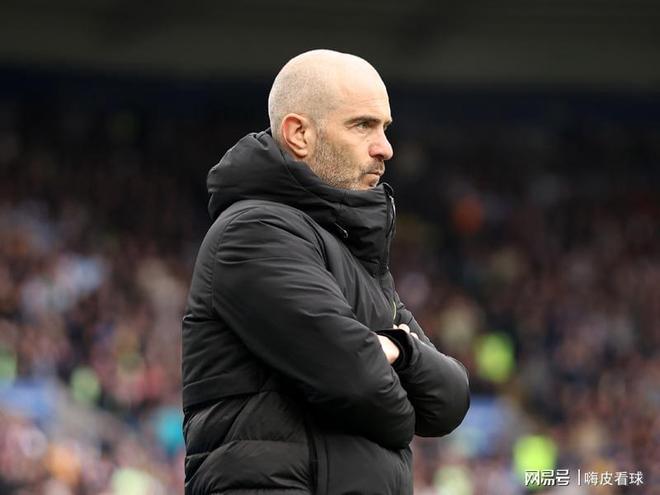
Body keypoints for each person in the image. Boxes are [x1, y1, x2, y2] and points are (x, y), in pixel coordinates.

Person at [181, 49, 470, 495]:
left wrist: (398, 350)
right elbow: (366, 388)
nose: (386, 148)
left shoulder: (354, 254)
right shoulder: (254, 231)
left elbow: (448, 402)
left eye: (385, 127)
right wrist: (398, 386)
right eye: (362, 125)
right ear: (299, 133)